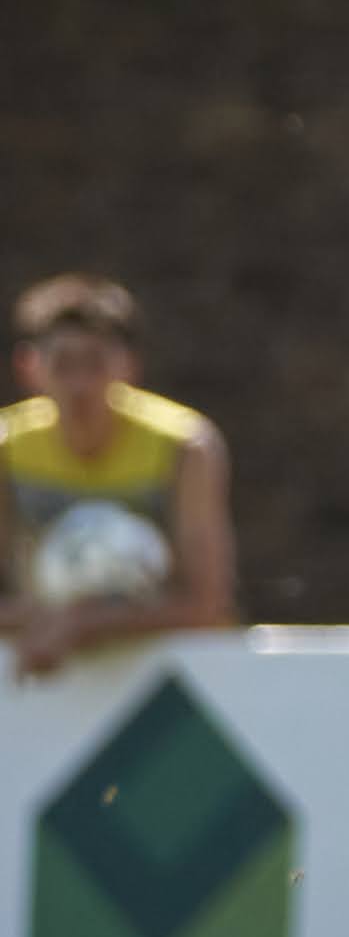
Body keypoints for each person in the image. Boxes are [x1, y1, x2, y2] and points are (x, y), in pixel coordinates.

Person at [0, 276, 241, 680]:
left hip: (174, 677)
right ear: (28, 367)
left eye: (95, 364)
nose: (80, 386)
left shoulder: (184, 446)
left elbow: (208, 602)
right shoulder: (7, 447)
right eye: (63, 365)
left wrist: (84, 623)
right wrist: (36, 618)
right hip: (49, 667)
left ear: (128, 365)